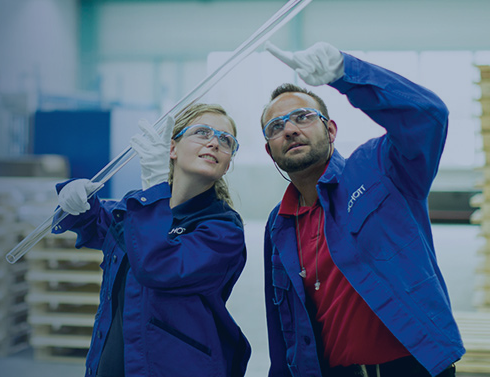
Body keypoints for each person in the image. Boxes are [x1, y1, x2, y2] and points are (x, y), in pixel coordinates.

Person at [259, 41, 465, 377]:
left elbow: (428, 116)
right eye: (276, 127)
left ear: (330, 130)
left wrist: (345, 72)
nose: (290, 129)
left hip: (411, 367)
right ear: (270, 152)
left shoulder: (379, 169)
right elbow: (282, 327)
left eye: (303, 117)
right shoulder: (278, 224)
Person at [51, 103, 251, 377]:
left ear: (228, 164)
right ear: (172, 149)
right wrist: (75, 201)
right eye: (203, 132)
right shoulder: (137, 208)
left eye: (226, 140)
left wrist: (155, 188)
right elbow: (98, 223)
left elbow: (157, 265)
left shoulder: (223, 230)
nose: (215, 142)